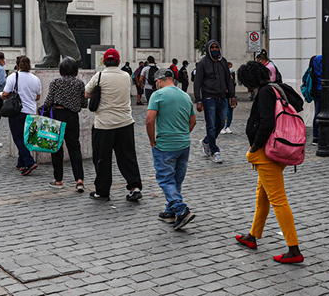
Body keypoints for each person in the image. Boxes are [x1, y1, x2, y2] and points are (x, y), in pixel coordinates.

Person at [234, 60, 304, 264]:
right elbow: (298, 104)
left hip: (267, 153)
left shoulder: (265, 92)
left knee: (278, 200)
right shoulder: (279, 88)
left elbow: (266, 122)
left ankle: (294, 249)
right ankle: (252, 236)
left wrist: (254, 147)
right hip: (279, 149)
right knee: (262, 196)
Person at [85, 48, 143, 201]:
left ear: (104, 61)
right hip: (125, 122)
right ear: (119, 61)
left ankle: (102, 191)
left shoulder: (99, 76)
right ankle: (134, 186)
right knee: (128, 157)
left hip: (104, 124)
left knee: (102, 159)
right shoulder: (126, 76)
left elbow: (86, 93)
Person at [146, 69, 197, 230]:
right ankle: (170, 212)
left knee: (165, 179)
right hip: (183, 144)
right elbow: (193, 120)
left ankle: (181, 210)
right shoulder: (185, 96)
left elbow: (149, 120)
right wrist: (183, 134)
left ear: (158, 81)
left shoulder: (158, 95)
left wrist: (152, 141)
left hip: (165, 144)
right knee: (176, 180)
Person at [43, 57, 87, 191]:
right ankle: (79, 180)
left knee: (56, 147)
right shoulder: (79, 83)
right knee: (74, 147)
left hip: (58, 115)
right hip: (73, 116)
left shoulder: (56, 82)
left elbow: (49, 100)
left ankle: (58, 180)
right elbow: (84, 103)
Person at [194, 40, 236, 163]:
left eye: (216, 47)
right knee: (211, 125)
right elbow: (197, 82)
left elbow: (228, 79)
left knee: (221, 122)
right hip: (208, 98)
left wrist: (232, 96)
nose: (214, 49)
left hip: (222, 97)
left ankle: (206, 141)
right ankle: (214, 151)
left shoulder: (223, 62)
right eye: (211, 48)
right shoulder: (203, 63)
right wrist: (198, 100)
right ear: (208, 49)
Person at [3, 56, 42, 175]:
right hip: (30, 111)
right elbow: (38, 96)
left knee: (18, 138)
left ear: (17, 65)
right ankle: (21, 163)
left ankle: (29, 162)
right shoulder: (35, 79)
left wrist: (3, 96)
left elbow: (5, 93)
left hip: (17, 111)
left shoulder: (13, 77)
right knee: (26, 138)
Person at [311, 53, 329, 145]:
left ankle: (315, 137)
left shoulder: (316, 59)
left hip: (317, 89)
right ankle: (327, 135)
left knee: (317, 112)